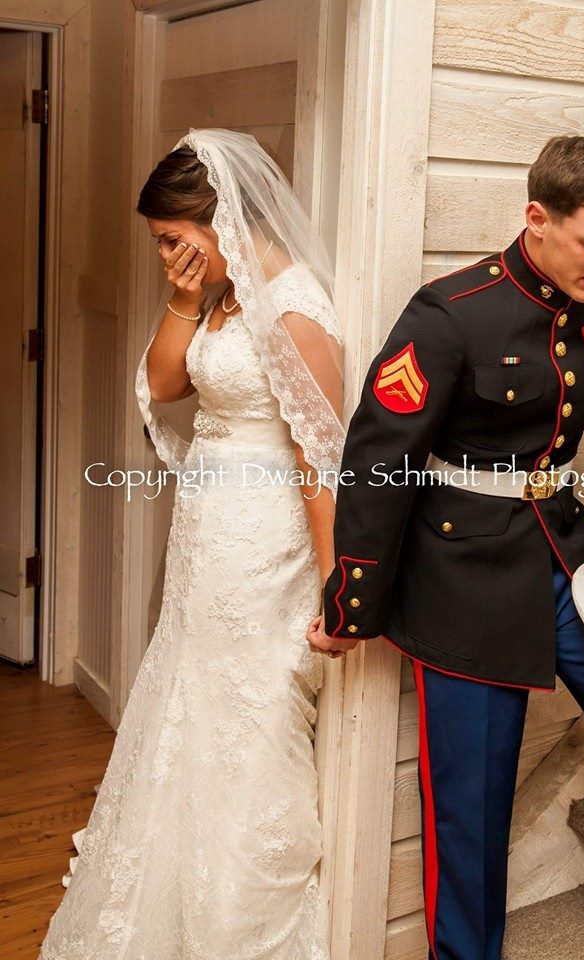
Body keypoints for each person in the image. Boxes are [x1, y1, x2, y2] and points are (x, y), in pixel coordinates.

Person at [308, 136, 584, 959]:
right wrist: (351, 605)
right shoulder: (449, 313)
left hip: (571, 560)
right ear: (537, 218)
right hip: (461, 576)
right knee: (471, 808)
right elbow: (377, 464)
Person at [40, 128, 344, 960]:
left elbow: (320, 457)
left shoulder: (294, 307)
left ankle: (235, 913)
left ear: (221, 220)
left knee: (248, 711)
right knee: (189, 694)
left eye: (172, 238)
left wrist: (337, 583)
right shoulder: (223, 294)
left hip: (263, 544)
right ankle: (169, 881)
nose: (166, 254)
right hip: (205, 534)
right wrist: (182, 297)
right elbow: (166, 382)